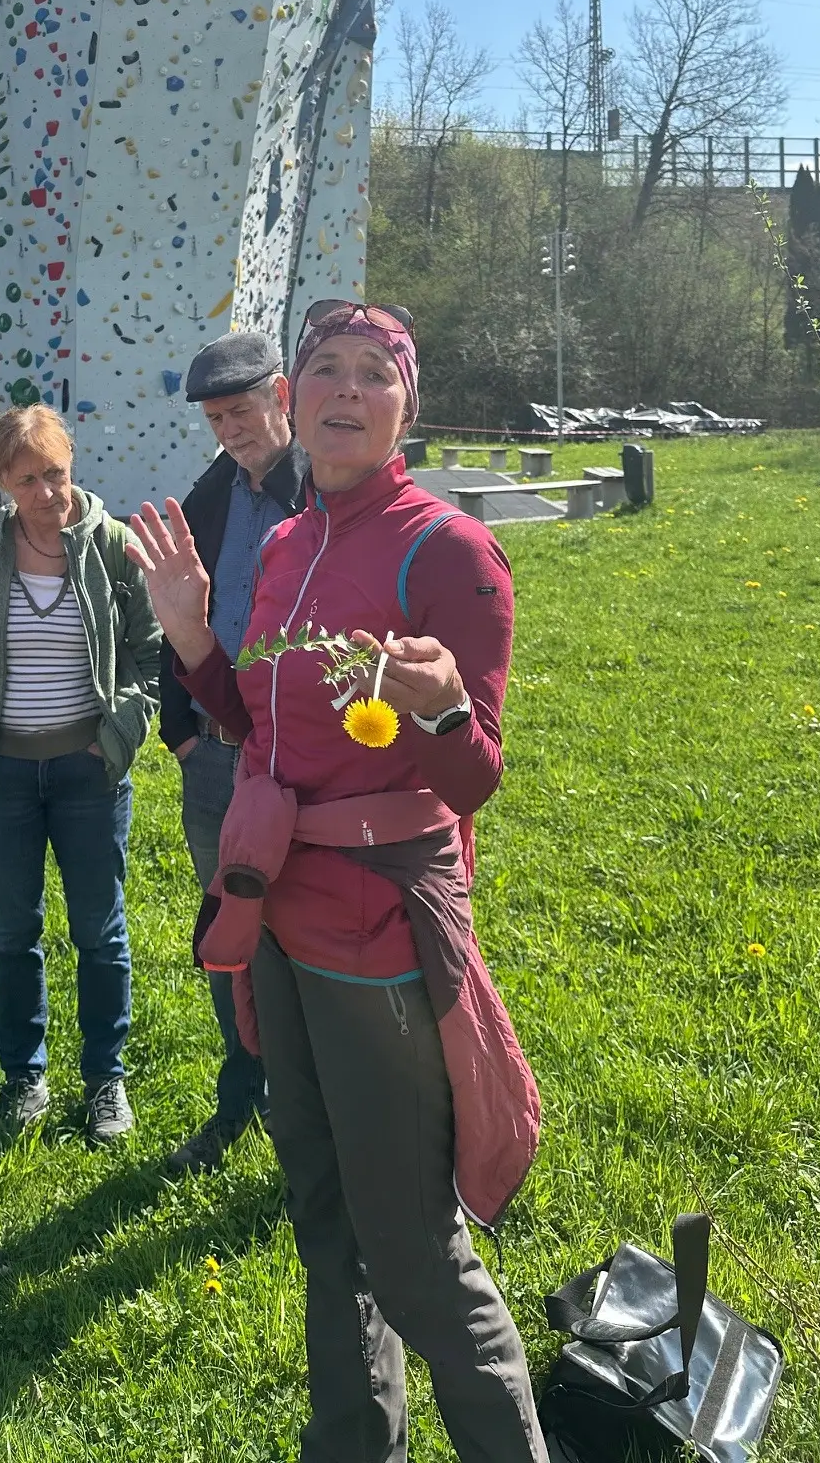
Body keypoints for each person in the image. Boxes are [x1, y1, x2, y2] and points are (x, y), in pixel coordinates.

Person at [128, 303, 548, 1463]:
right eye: (327, 371)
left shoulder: (448, 551)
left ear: (407, 404)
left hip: (378, 926)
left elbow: (475, 778)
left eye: (375, 375)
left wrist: (443, 708)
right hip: (276, 910)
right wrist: (190, 640)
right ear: (291, 396)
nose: (347, 392)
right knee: (321, 1210)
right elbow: (251, 727)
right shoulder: (280, 546)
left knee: (414, 1252)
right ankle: (353, 1444)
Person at [0, 405, 161, 1146]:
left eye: (54, 473)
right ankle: (25, 1075)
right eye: (27, 479)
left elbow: (151, 656)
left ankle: (105, 1078)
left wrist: (118, 736)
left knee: (99, 929)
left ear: (72, 463)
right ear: (1, 482)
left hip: (90, 775)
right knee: (11, 931)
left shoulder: (116, 548)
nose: (46, 492)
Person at [160, 332, 308, 1176]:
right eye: (217, 419)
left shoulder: (324, 492)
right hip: (215, 758)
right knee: (228, 932)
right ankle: (240, 1097)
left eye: (242, 411)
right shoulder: (211, 493)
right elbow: (171, 611)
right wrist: (181, 731)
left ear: (282, 395)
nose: (231, 431)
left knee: (308, 935)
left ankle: (310, 1116)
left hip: (304, 758)